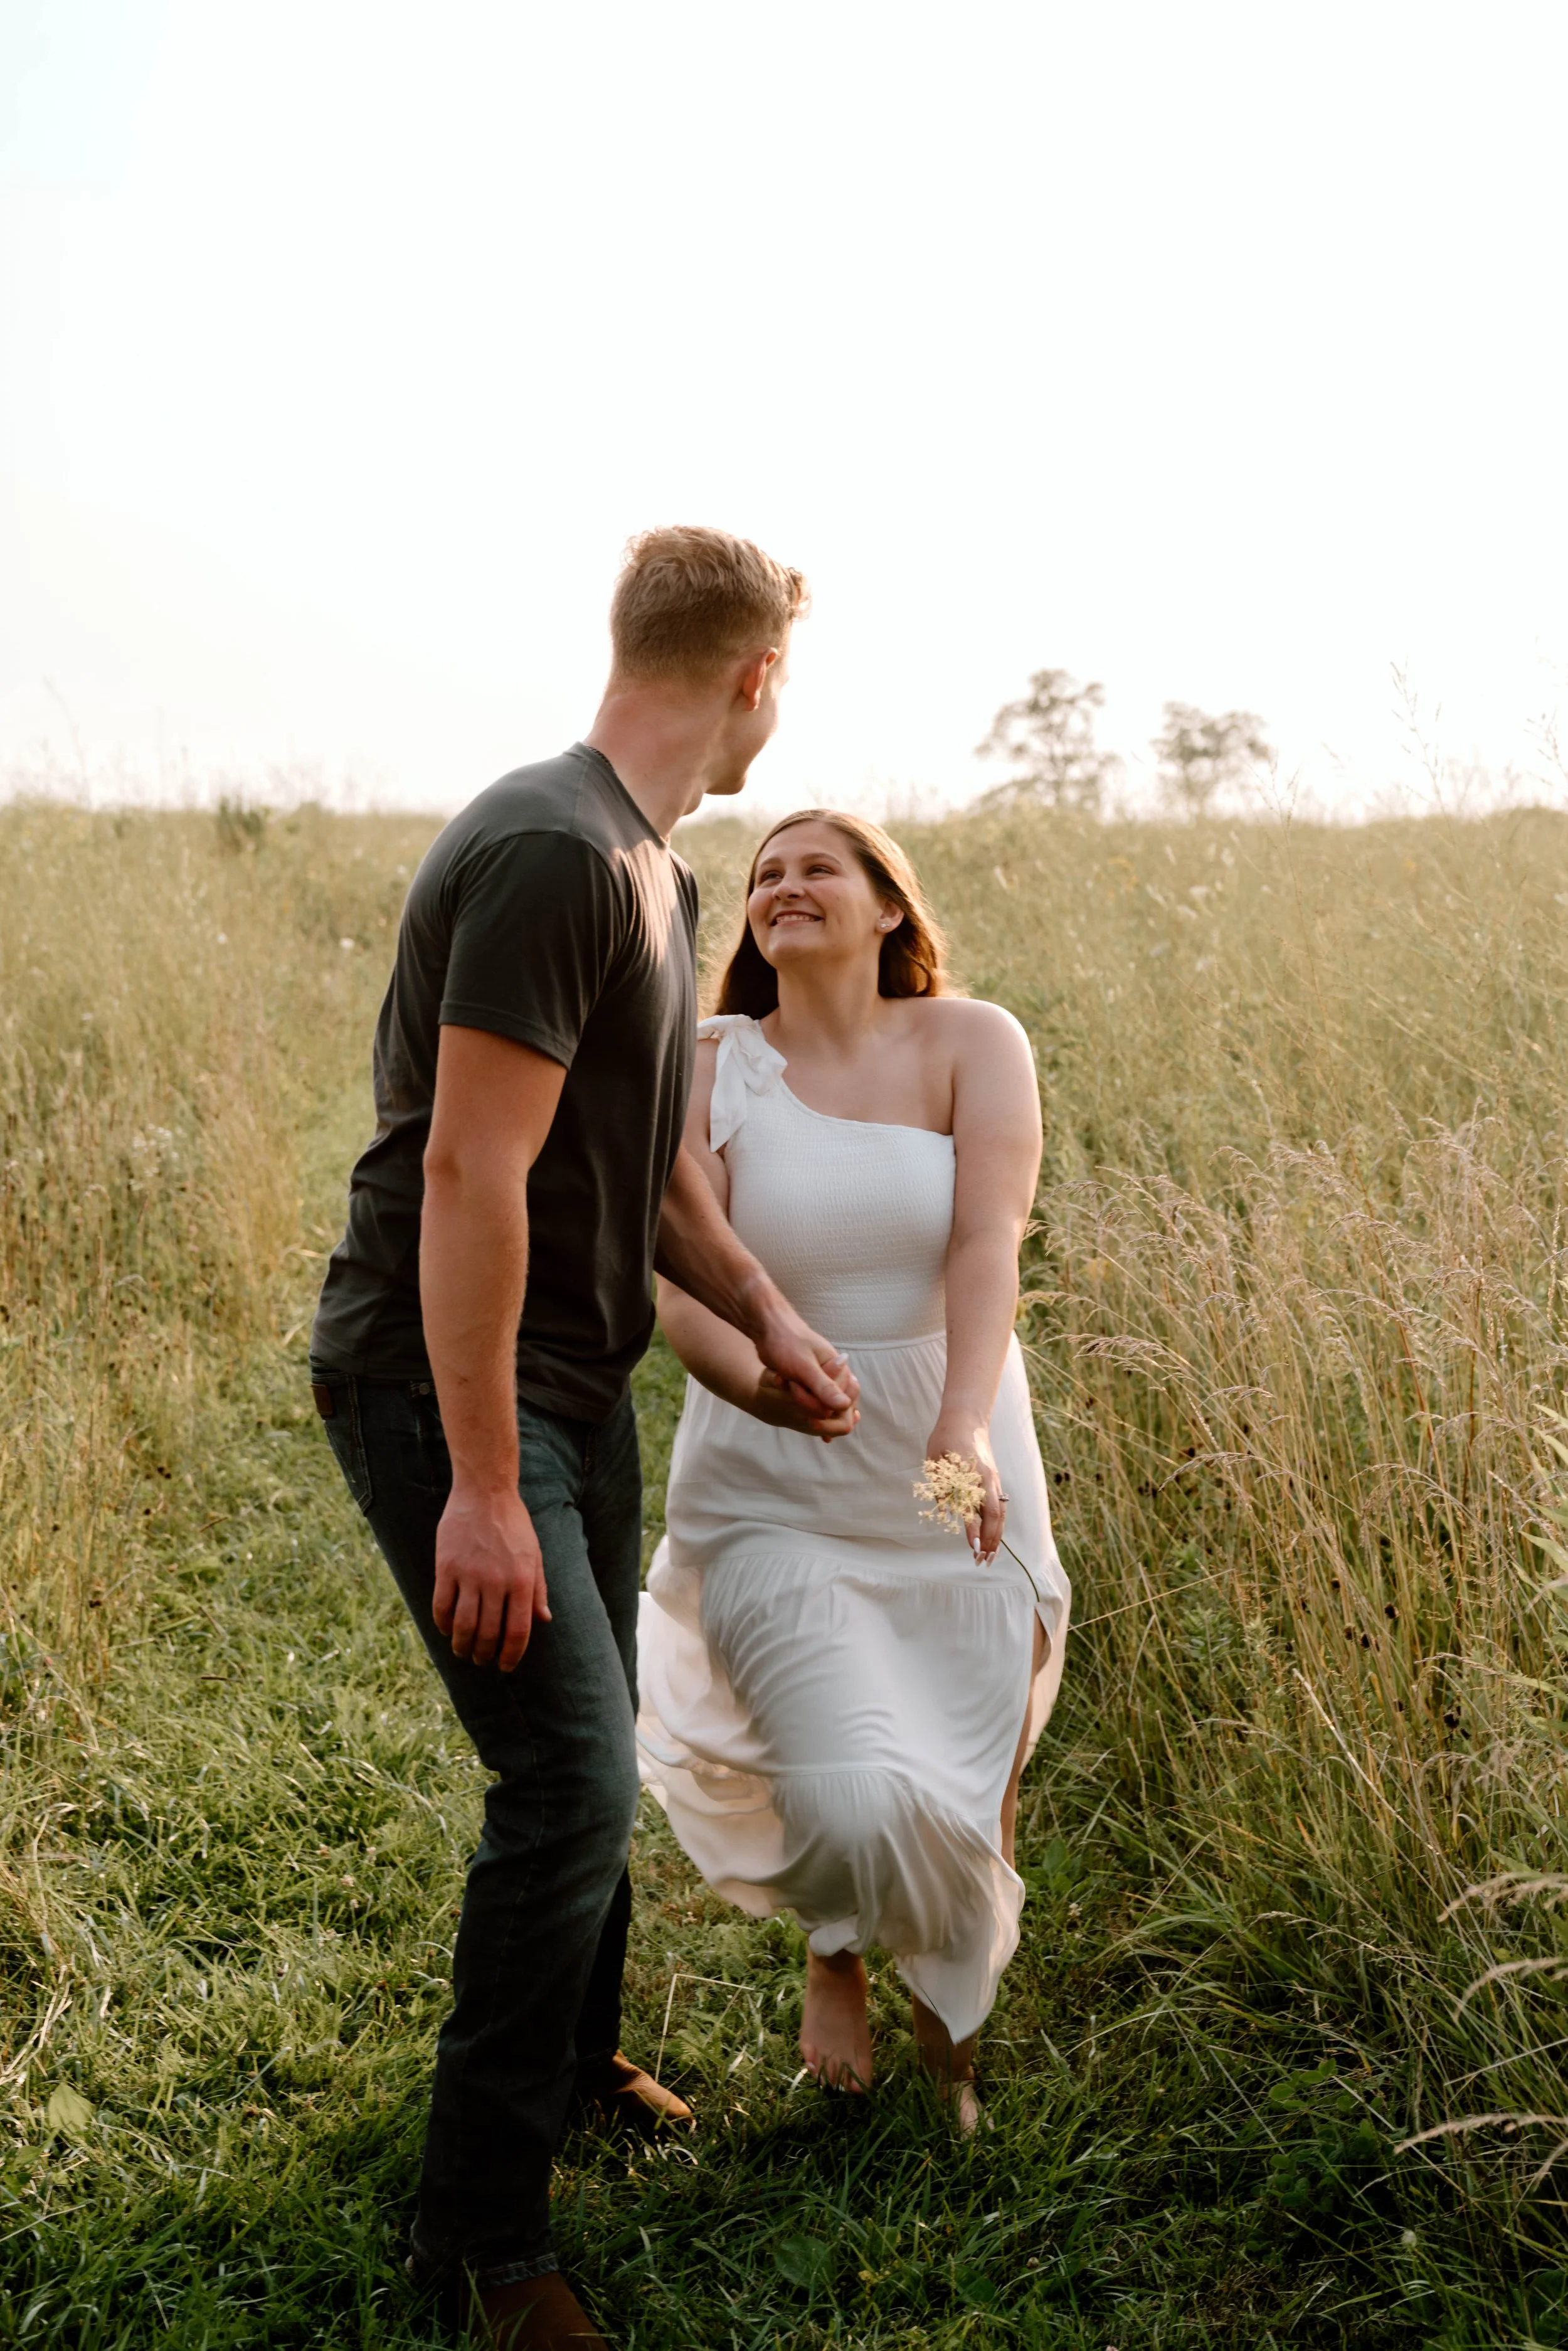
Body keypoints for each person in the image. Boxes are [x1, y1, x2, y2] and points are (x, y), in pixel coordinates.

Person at [309, 531, 857, 2351]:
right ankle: (485, 2240)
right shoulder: (554, 848)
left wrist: (766, 1313)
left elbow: (625, 1173)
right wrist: (477, 1481)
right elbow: (469, 1167)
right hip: (447, 1379)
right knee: (568, 1784)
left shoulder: (651, 868)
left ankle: (565, 2060)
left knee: (592, 1737)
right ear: (754, 678)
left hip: (569, 1376)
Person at [637, 811, 1071, 2131]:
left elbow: (987, 1239)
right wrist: (749, 1375)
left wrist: (963, 1422)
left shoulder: (973, 1040)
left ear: (891, 904)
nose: (783, 885)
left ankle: (954, 2018)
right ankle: (834, 1946)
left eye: (817, 864)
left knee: (964, 1752)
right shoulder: (709, 1064)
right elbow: (676, 1278)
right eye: (764, 873)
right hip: (773, 1466)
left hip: (950, 1437)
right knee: (841, 1777)